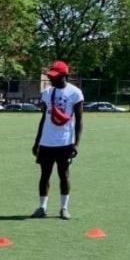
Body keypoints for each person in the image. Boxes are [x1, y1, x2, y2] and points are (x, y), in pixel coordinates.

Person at [31, 60, 84, 220]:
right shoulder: (47, 92)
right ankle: (42, 207)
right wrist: (37, 142)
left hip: (65, 142)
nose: (52, 79)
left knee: (64, 175)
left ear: (65, 75)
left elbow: (80, 121)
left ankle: (64, 208)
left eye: (56, 76)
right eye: (51, 77)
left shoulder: (75, 93)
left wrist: (76, 144)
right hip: (46, 142)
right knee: (44, 175)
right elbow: (43, 118)